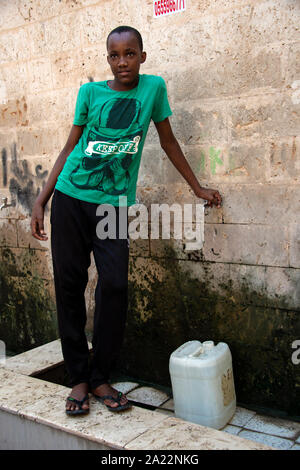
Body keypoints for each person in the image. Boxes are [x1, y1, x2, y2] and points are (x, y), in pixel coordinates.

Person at [31, 26, 222, 415]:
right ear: (108, 59)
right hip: (70, 198)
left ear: (142, 56)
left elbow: (168, 141)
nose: (123, 62)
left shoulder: (153, 89)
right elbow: (70, 147)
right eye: (115, 55)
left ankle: (101, 376)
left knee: (115, 286)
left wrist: (197, 188)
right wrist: (42, 199)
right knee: (70, 286)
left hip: (113, 206)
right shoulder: (89, 94)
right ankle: (79, 379)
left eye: (130, 53)